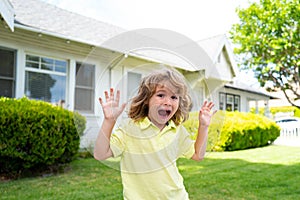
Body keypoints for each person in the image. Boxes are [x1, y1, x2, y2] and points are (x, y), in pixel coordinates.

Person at [94, 68, 216, 200]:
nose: (168, 102)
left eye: (174, 97)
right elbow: (100, 154)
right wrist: (109, 121)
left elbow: (198, 155)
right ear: (146, 99)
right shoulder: (130, 129)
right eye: (161, 95)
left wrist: (203, 127)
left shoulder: (177, 130)